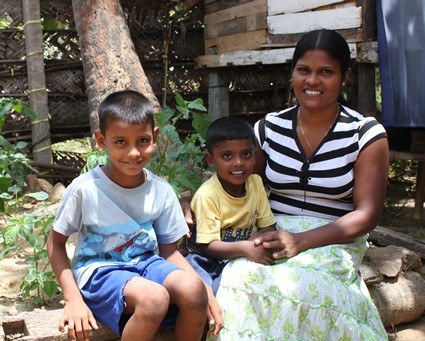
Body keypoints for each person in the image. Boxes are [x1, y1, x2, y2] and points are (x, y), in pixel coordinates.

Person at [185, 29, 390, 340]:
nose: (312, 81)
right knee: (241, 275)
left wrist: (302, 240)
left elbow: (367, 215)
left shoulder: (364, 134)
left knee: (308, 286)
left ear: (344, 77)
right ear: (292, 72)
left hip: (333, 239)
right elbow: (237, 181)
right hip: (273, 233)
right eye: (304, 70)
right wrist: (191, 200)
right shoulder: (269, 129)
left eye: (326, 72)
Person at [47, 90, 219, 341]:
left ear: (155, 138)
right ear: (101, 140)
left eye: (142, 141)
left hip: (147, 265)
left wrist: (207, 294)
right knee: (155, 299)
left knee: (194, 290)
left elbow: (169, 251)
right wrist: (72, 299)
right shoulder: (85, 189)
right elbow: (56, 243)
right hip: (99, 271)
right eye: (120, 142)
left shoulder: (160, 190)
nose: (133, 153)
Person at [185, 116, 277, 295]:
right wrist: (245, 248)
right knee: (208, 294)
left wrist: (251, 245)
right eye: (227, 156)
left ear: (255, 155)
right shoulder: (207, 195)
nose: (238, 163)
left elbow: (268, 226)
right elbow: (208, 245)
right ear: (210, 160)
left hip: (240, 253)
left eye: (246, 154)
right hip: (205, 259)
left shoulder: (255, 183)